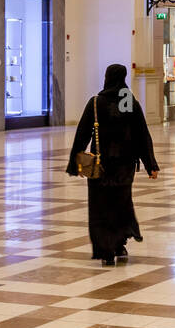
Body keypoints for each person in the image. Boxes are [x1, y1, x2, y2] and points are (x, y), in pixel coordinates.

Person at [65, 63, 159, 266]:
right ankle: (119, 244)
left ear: (106, 77)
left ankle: (106, 249)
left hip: (101, 164)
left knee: (101, 205)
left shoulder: (96, 102)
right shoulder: (129, 101)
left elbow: (82, 133)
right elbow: (141, 133)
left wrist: (76, 163)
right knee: (121, 202)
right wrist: (150, 163)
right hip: (125, 164)